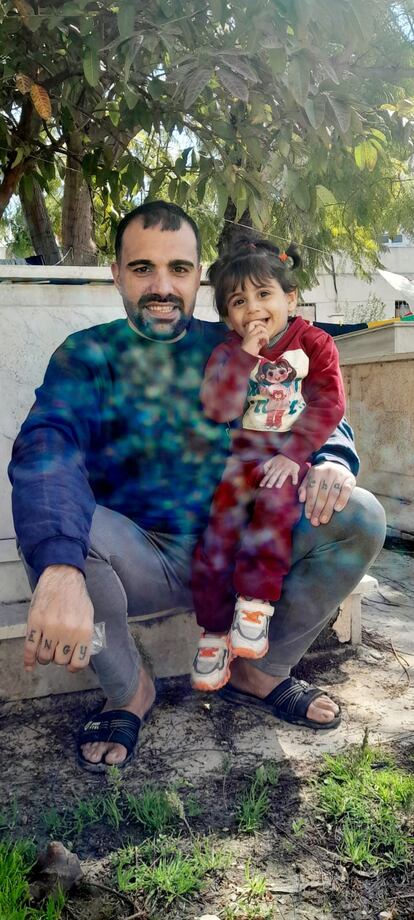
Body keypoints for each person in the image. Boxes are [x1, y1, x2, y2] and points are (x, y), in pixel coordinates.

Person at [8, 201, 386, 772]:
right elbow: (46, 447)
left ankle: (260, 671)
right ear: (116, 273)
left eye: (179, 270)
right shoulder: (88, 355)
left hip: (244, 544)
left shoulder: (238, 342)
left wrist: (333, 457)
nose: (162, 287)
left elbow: (307, 406)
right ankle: (129, 692)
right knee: (57, 538)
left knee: (361, 516)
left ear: (198, 274)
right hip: (142, 555)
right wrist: (60, 568)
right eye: (142, 269)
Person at [191, 239, 346, 693]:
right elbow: (218, 408)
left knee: (274, 515)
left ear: (290, 299)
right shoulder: (226, 353)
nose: (253, 309)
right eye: (239, 302)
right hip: (241, 459)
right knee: (217, 537)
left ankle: (255, 607)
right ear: (226, 315)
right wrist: (246, 355)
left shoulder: (314, 343)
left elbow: (329, 404)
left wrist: (294, 454)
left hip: (287, 459)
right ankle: (214, 633)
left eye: (264, 295)